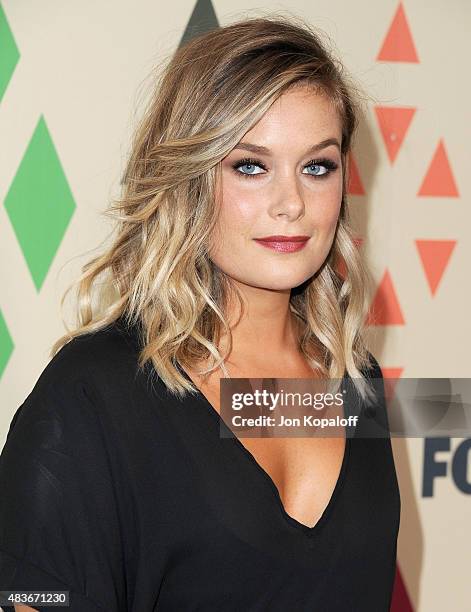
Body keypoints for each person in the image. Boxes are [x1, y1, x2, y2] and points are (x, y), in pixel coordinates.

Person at [0, 15, 400, 612]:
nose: (292, 203)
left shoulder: (352, 379)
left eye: (318, 166)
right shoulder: (94, 393)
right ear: (188, 176)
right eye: (250, 166)